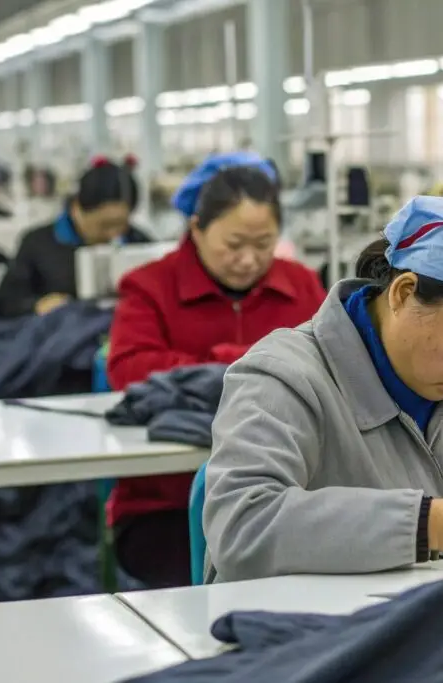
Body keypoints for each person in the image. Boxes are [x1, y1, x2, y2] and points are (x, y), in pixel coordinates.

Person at [202, 195, 443, 583]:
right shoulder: (286, 376)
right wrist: (428, 524)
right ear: (403, 293)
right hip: (304, 632)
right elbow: (242, 526)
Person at [106, 150, 326, 588]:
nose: (248, 259)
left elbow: (334, 363)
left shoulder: (301, 285)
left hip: (282, 499)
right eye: (234, 245)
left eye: (263, 245)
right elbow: (130, 368)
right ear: (197, 230)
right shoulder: (151, 286)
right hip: (163, 504)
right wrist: (243, 361)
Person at [0, 161, 150, 318]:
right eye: (105, 225)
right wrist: (37, 305)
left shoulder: (138, 242)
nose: (113, 233)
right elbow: (6, 302)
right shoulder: (37, 244)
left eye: (121, 224)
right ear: (76, 209)